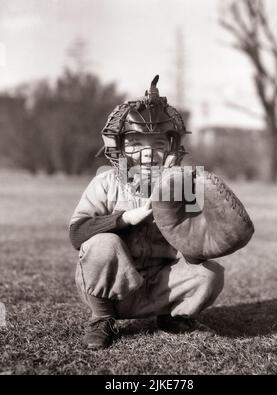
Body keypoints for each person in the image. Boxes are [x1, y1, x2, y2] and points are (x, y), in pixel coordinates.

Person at [69, 76, 224, 349]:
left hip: (160, 283)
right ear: (117, 145)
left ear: (173, 147)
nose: (147, 152)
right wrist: (125, 218)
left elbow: (193, 253)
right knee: (102, 243)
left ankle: (173, 317)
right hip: (114, 289)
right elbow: (77, 234)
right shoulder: (105, 181)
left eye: (158, 143)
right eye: (136, 142)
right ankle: (101, 319)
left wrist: (199, 230)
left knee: (210, 273)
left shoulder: (185, 184)